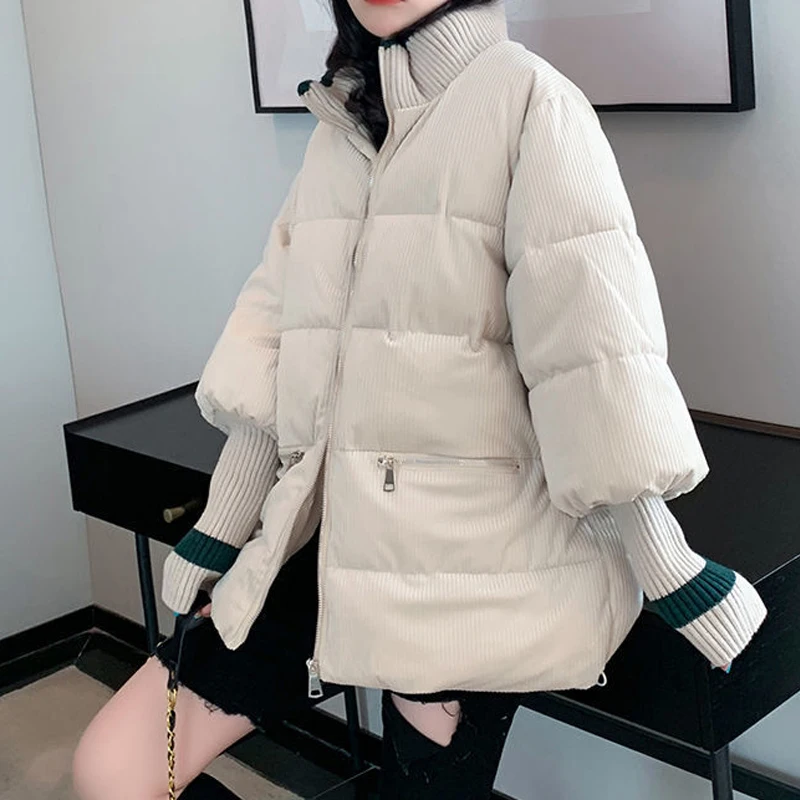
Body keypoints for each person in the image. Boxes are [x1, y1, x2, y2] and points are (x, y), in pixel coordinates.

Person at [73, 1, 768, 797]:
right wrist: (224, 526)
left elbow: (589, 359)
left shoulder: (531, 102)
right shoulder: (340, 126)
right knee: (113, 771)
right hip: (320, 536)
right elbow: (282, 339)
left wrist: (668, 565)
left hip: (461, 568)